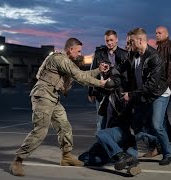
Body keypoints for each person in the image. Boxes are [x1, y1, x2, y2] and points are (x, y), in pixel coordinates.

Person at [10, 38, 111, 176]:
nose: (80, 54)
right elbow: (81, 77)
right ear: (70, 49)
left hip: (53, 97)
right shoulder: (60, 59)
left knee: (65, 126)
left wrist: (98, 70)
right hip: (43, 96)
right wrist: (101, 83)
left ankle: (66, 156)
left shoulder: (67, 62)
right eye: (78, 51)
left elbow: (82, 74)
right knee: (40, 131)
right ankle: (17, 161)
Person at [122, 28, 171, 166]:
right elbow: (122, 67)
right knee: (136, 124)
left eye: (131, 41)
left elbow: (151, 85)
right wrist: (110, 69)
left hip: (158, 94)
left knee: (157, 125)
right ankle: (156, 143)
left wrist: (131, 94)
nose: (129, 44)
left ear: (140, 40)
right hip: (143, 94)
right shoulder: (134, 54)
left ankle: (167, 153)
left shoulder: (154, 57)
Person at [88, 29, 128, 131]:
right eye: (107, 40)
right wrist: (90, 92)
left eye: (111, 40)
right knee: (101, 121)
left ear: (117, 39)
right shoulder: (99, 53)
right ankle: (101, 145)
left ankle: (115, 144)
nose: (109, 42)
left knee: (119, 121)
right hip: (101, 92)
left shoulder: (124, 54)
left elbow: (128, 75)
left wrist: (128, 91)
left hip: (118, 92)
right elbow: (92, 72)